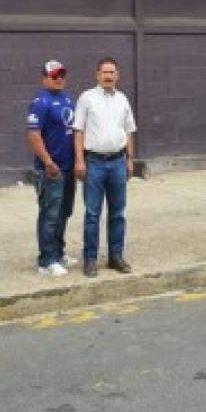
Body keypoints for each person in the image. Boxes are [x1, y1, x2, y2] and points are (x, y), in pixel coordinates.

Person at [73, 57, 137, 278]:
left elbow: (129, 131)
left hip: (118, 162)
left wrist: (130, 159)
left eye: (112, 72)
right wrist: (79, 160)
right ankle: (90, 260)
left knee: (118, 213)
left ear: (117, 75)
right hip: (94, 163)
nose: (108, 76)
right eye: (104, 72)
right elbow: (78, 131)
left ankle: (115, 257)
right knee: (92, 213)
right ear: (97, 74)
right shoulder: (86, 98)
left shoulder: (123, 99)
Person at [26, 60, 78, 276]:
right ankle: (46, 261)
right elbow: (33, 135)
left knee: (64, 213)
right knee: (50, 214)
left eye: (62, 75)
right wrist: (48, 162)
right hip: (50, 170)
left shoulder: (67, 99)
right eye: (54, 75)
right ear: (44, 78)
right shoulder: (40, 102)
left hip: (68, 168)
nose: (59, 79)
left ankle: (58, 252)